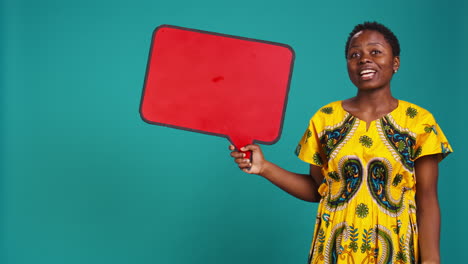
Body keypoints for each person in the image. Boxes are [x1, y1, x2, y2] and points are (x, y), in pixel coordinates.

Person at [229, 21, 452, 264]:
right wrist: (264, 168)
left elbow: (427, 199)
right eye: (354, 54)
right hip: (334, 250)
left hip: (396, 251)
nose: (364, 59)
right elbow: (319, 190)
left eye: (375, 51)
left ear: (395, 63)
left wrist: (431, 259)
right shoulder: (325, 119)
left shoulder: (419, 121)